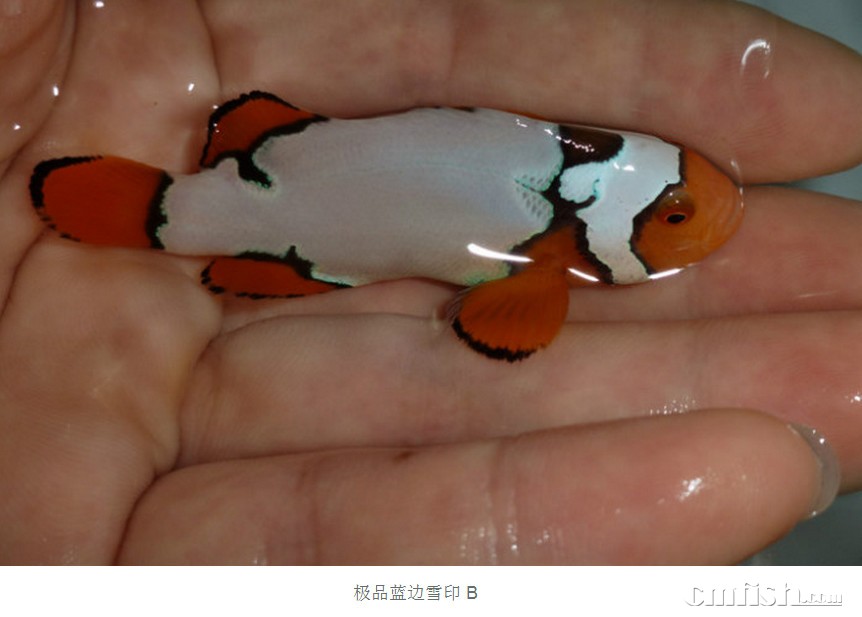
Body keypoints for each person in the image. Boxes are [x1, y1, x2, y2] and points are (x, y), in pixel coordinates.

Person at [0, 0, 860, 565]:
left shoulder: (554, 187)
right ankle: (153, 212)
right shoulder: (551, 248)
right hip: (284, 188)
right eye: (674, 216)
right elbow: (504, 321)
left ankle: (160, 210)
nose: (698, 224)